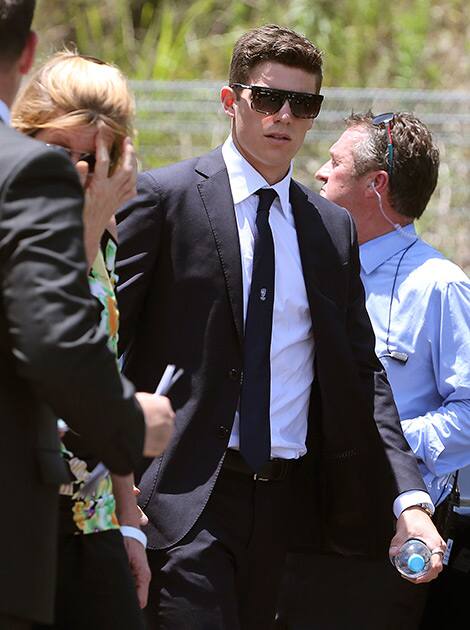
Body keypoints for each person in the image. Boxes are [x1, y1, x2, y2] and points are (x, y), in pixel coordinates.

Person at [115, 25, 444, 630]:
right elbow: (117, 345)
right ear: (229, 100)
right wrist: (115, 484)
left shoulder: (330, 228)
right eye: (268, 98)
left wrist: (410, 498)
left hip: (292, 511)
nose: (284, 116)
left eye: (304, 104)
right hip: (184, 498)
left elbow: (363, 373)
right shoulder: (165, 199)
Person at [0, 2, 174, 628]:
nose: (80, 172)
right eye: (60, 152)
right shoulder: (26, 211)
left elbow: (100, 367)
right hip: (30, 502)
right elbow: (50, 334)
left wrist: (130, 518)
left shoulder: (107, 236)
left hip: (92, 507)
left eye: (98, 156)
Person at [276, 111, 470, 629]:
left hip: (382, 534)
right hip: (289, 518)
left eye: (335, 162)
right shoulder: (302, 268)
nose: (317, 172)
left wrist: (382, 443)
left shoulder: (438, 286)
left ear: (375, 185)